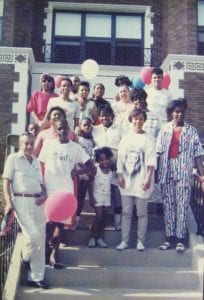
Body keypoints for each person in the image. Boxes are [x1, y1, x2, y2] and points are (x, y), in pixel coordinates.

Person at [39, 119, 94, 268]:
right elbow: (40, 166)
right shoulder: (48, 145)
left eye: (65, 128)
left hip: (66, 192)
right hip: (50, 190)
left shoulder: (75, 148)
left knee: (59, 225)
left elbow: (91, 167)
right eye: (59, 128)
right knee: (48, 224)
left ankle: (54, 255)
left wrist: (77, 171)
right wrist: (41, 185)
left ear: (69, 130)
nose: (63, 131)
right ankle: (45, 253)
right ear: (55, 130)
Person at [157, 99, 204, 253]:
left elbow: (198, 155)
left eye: (182, 112)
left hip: (184, 172)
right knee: (168, 206)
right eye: (177, 111)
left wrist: (202, 175)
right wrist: (156, 173)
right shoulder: (164, 129)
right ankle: (168, 239)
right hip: (166, 171)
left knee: (182, 206)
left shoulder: (191, 131)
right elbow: (158, 152)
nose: (179, 114)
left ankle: (180, 240)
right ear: (172, 113)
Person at [2, 133, 49, 288]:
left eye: (31, 143)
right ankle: (25, 257)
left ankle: (36, 277)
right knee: (33, 236)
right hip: (21, 201)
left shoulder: (36, 161)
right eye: (25, 144)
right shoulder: (13, 159)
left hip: (38, 202)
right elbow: (6, 182)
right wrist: (9, 202)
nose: (29, 146)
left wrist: (44, 195)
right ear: (20, 145)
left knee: (41, 239)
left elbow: (41, 184)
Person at [116, 109, 156, 251]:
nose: (138, 121)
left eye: (140, 119)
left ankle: (140, 241)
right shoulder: (126, 137)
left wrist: (148, 179)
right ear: (131, 120)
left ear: (144, 120)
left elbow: (151, 161)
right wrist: (120, 175)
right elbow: (120, 158)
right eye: (135, 119)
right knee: (126, 212)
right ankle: (124, 241)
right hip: (126, 181)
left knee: (141, 213)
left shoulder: (149, 138)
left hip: (142, 180)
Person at [92, 105, 122, 230]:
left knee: (116, 195)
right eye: (102, 115)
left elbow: (124, 147)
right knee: (100, 194)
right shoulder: (94, 129)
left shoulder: (120, 129)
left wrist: (118, 164)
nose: (105, 118)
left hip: (115, 165)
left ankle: (117, 224)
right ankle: (99, 225)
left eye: (107, 115)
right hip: (99, 167)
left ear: (112, 117)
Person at [88, 147, 113, 248]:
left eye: (106, 159)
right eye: (101, 160)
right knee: (99, 217)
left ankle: (100, 238)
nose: (104, 161)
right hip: (97, 195)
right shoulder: (96, 169)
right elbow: (90, 183)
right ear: (98, 160)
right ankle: (92, 238)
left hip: (107, 196)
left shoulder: (111, 171)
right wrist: (91, 197)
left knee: (104, 218)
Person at [74, 117, 95, 229]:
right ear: (80, 126)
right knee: (77, 197)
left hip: (88, 172)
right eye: (84, 125)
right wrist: (86, 168)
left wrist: (90, 169)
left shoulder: (92, 140)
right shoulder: (77, 139)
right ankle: (74, 219)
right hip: (80, 171)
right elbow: (77, 157)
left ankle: (77, 219)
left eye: (89, 125)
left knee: (82, 197)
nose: (86, 127)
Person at [144, 67, 172, 139]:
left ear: (162, 79)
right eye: (155, 77)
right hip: (149, 124)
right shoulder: (146, 92)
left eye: (159, 77)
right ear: (151, 79)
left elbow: (170, 111)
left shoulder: (167, 93)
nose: (157, 79)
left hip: (163, 124)